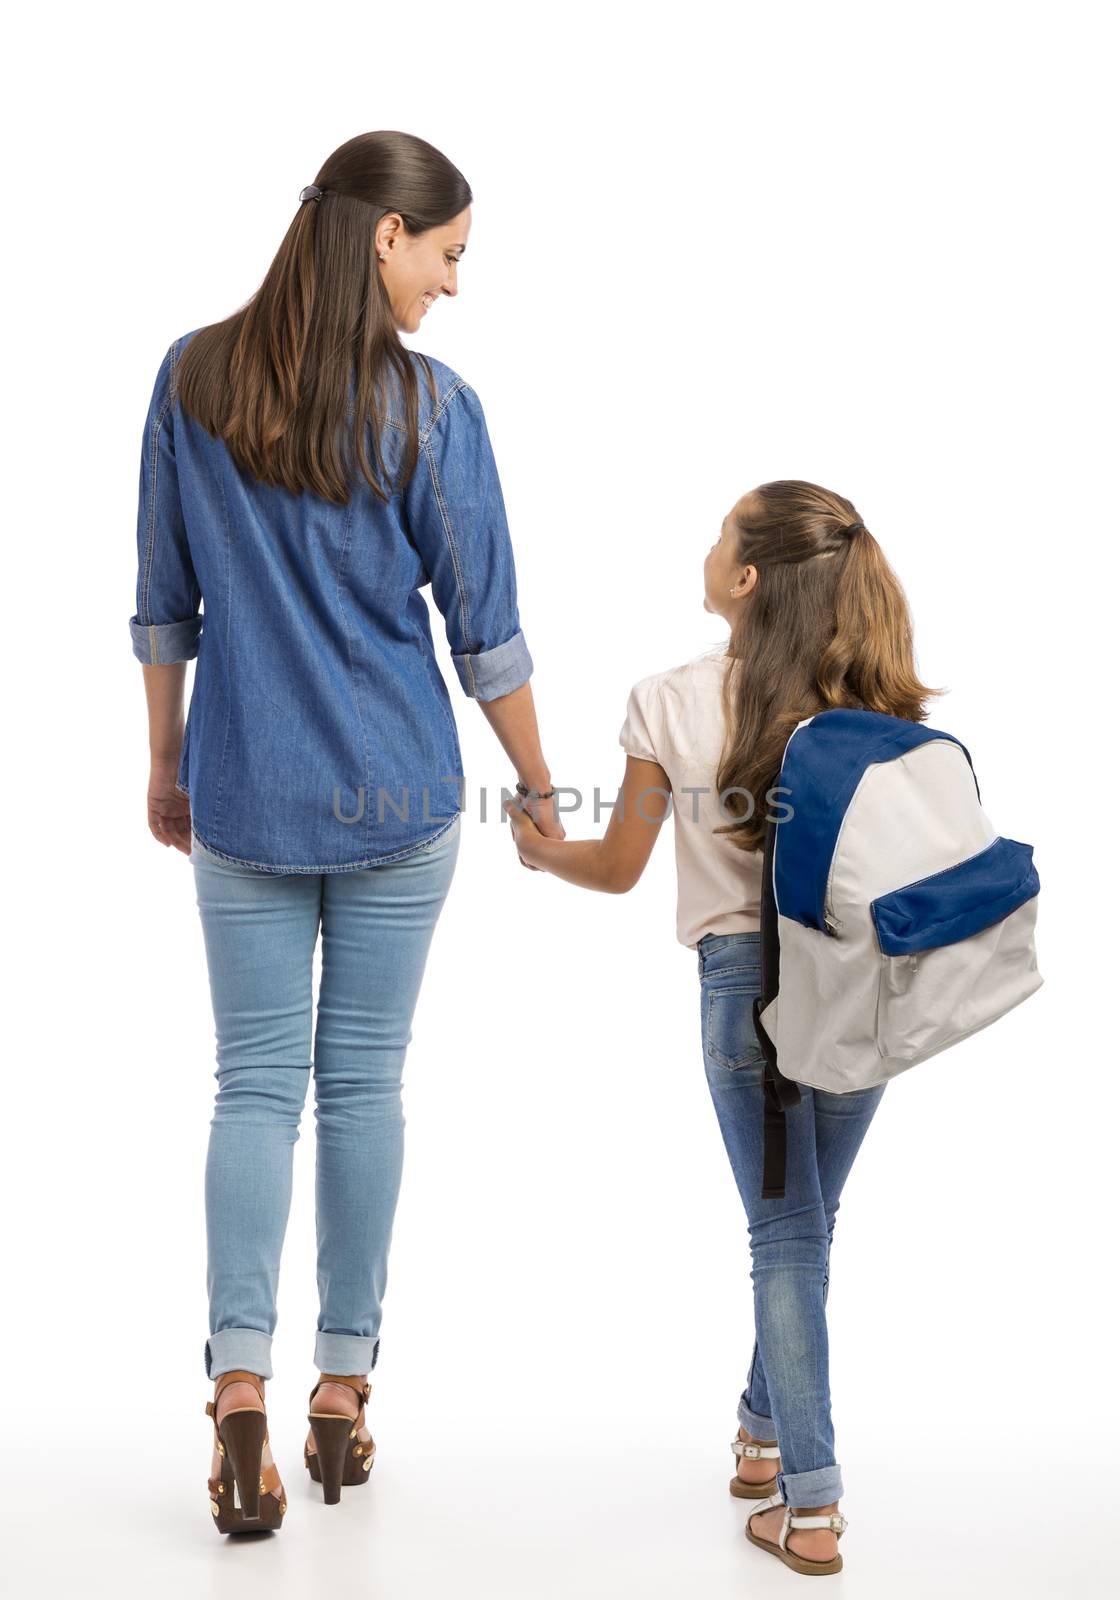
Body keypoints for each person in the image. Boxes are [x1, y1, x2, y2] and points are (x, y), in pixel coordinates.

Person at [129, 130, 564, 1530]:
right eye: (448, 255)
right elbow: (483, 629)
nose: (453, 285)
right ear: (384, 235)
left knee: (254, 1088)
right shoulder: (432, 410)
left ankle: (237, 1397)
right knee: (362, 1088)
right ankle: (342, 1397)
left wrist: (165, 763)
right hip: (397, 796)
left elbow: (163, 604)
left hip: (243, 789)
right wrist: (543, 788)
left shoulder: (192, 379)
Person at [505, 479, 941, 1577]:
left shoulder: (669, 699)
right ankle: (759, 1431)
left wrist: (537, 845)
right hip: (864, 984)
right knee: (805, 1225)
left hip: (743, 982)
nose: (705, 548)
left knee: (784, 1234)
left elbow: (615, 870)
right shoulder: (874, 706)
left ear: (746, 580)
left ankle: (809, 1504)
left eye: (719, 537)